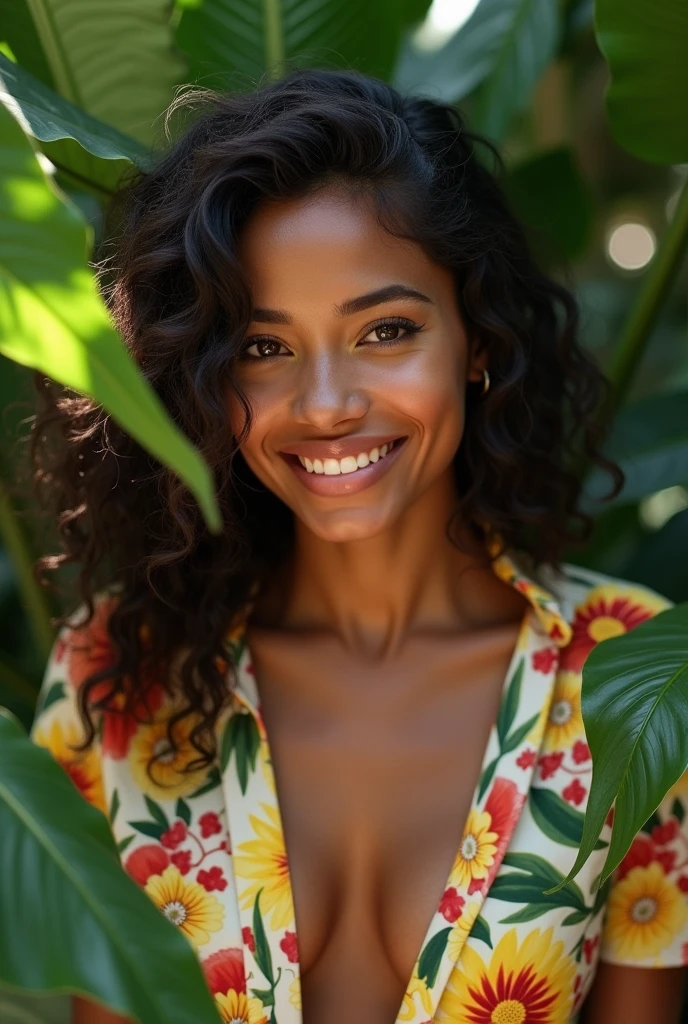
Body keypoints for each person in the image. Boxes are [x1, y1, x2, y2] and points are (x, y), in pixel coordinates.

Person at [29, 67, 687, 1024]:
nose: (327, 403)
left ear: (477, 339)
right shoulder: (116, 678)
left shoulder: (635, 677)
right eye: (262, 347)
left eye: (385, 330)